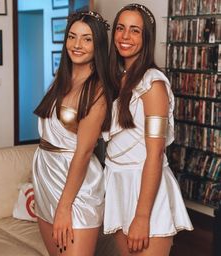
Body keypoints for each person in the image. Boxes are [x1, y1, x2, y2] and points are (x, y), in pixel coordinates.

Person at [102, 3, 193, 256]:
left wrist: (142, 216)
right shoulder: (116, 79)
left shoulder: (152, 84)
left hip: (145, 189)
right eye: (120, 28)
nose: (125, 37)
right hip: (118, 181)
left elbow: (155, 154)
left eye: (134, 30)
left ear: (146, 37)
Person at [32, 11, 112, 256]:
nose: (77, 45)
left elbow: (85, 151)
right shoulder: (61, 80)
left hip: (76, 186)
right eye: (72, 37)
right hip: (46, 175)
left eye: (87, 39)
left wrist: (65, 207)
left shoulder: (97, 90)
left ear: (97, 44)